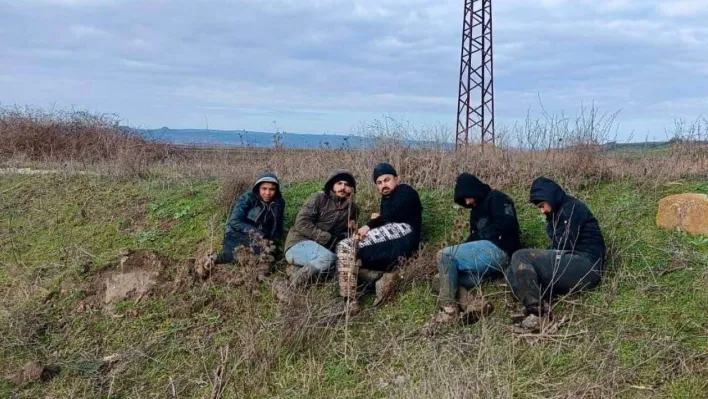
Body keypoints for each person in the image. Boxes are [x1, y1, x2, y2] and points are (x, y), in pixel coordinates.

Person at [507, 177, 606, 317]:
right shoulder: (557, 213)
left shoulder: (571, 208)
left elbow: (564, 245)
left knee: (520, 256)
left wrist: (538, 256)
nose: (541, 211)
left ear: (550, 197)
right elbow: (558, 247)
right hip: (573, 264)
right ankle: (536, 301)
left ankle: (535, 310)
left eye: (542, 205)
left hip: (586, 266)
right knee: (512, 269)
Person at [435, 173, 521, 322]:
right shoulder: (475, 210)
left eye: (467, 197)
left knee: (445, 255)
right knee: (441, 279)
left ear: (474, 189)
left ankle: (448, 309)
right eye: (463, 200)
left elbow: (508, 223)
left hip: (501, 250)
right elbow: (474, 239)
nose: (467, 202)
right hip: (488, 267)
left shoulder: (498, 198)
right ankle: (474, 305)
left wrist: (477, 238)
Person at [336, 162, 423, 310]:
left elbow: (393, 214)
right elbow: (387, 217)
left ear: (397, 179)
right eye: (379, 182)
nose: (384, 185)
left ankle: (350, 302)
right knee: (349, 256)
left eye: (387, 180)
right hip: (395, 242)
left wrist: (370, 224)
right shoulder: (387, 198)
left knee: (346, 246)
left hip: (405, 235)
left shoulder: (405, 191)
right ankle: (380, 279)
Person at [195, 172, 285, 277]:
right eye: (264, 189)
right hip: (237, 231)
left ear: (276, 190)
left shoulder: (279, 202)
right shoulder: (247, 198)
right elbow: (234, 221)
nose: (267, 193)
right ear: (258, 188)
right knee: (238, 254)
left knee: (268, 256)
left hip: (261, 235)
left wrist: (275, 244)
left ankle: (258, 268)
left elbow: (277, 225)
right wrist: (256, 233)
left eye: (272, 189)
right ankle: (211, 259)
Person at [284, 171, 359, 286]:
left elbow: (347, 233)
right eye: (339, 183)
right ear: (332, 185)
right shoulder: (319, 198)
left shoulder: (352, 208)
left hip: (322, 248)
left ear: (351, 189)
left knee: (345, 263)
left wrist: (350, 230)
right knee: (328, 258)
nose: (343, 187)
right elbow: (301, 223)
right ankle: (290, 284)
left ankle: (297, 268)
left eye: (347, 185)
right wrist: (328, 238)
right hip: (299, 242)